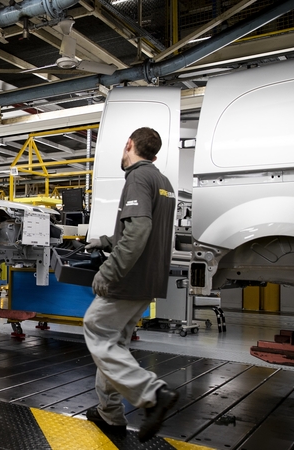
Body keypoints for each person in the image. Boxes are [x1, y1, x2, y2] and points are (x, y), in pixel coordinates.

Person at [82, 127, 179, 442]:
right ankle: (110, 413)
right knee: (114, 345)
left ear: (129, 145)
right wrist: (107, 241)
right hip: (149, 279)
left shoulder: (137, 177)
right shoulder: (163, 182)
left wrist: (108, 272)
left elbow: (138, 231)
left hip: (128, 277)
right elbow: (145, 230)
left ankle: (153, 394)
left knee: (96, 329)